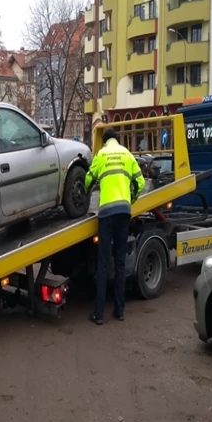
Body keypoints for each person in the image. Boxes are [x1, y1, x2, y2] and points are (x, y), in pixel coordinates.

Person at [84, 128, 145, 325]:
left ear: (105, 141)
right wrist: (131, 199)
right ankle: (119, 311)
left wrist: (86, 191)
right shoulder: (127, 154)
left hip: (106, 216)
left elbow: (88, 179)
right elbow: (141, 182)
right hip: (123, 214)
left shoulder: (101, 155)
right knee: (120, 263)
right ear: (117, 140)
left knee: (103, 265)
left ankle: (99, 314)